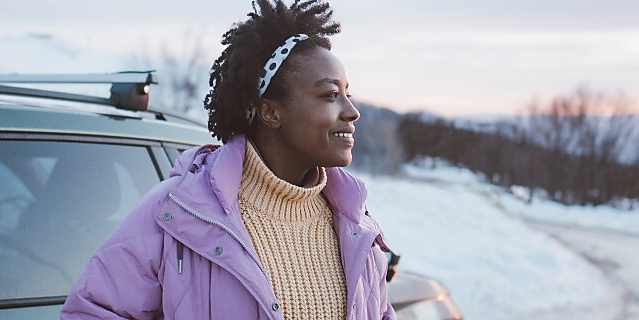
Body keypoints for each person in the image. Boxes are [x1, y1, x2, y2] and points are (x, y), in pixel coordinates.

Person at [61, 0, 393, 318]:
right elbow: (91, 313)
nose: (352, 111)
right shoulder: (176, 212)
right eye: (331, 95)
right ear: (270, 112)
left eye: (347, 94)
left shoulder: (356, 226)